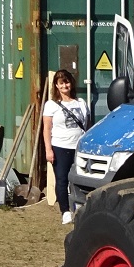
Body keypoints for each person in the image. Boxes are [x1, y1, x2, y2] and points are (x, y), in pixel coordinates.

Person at [43, 69, 89, 225]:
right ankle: (65, 211)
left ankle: (81, 208)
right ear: (56, 85)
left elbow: (87, 126)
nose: (64, 86)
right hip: (60, 147)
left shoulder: (81, 103)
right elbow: (47, 129)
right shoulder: (51, 105)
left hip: (78, 147)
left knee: (80, 179)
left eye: (67, 82)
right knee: (62, 180)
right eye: (61, 83)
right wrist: (48, 150)